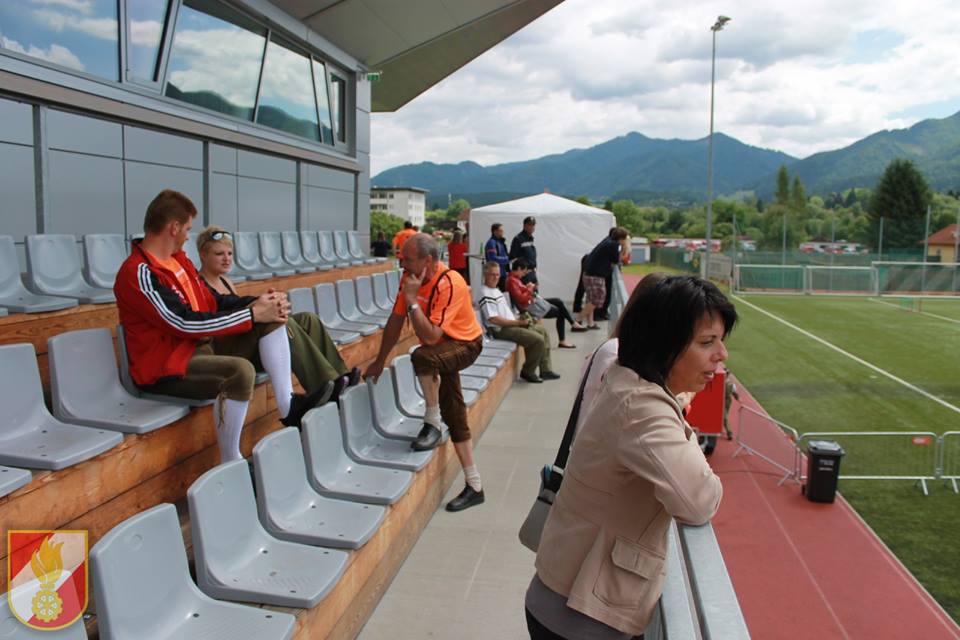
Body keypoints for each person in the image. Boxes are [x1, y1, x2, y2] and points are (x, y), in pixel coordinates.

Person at [526, 275, 736, 639]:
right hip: (581, 619)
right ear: (665, 344)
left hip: (565, 600)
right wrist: (681, 422)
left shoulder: (628, 381)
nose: (721, 354)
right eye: (707, 342)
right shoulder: (643, 408)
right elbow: (701, 500)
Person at [114, 190, 330, 463]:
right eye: (187, 229)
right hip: (167, 368)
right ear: (174, 227)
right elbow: (182, 322)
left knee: (272, 318)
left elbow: (213, 301)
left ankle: (290, 408)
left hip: (201, 350)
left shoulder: (179, 260)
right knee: (239, 372)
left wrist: (258, 304)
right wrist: (252, 315)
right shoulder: (138, 272)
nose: (188, 236)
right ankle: (231, 460)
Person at [364, 233, 486, 512]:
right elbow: (396, 321)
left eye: (408, 259)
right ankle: (475, 484)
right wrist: (380, 360)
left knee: (421, 356)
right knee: (454, 410)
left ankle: (431, 423)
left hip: (466, 344)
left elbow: (430, 337)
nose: (402, 263)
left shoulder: (450, 282)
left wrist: (412, 300)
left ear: (428, 261)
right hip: (441, 349)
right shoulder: (409, 279)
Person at [194, 225, 359, 403]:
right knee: (281, 322)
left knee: (308, 319)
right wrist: (259, 305)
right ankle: (323, 383)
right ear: (203, 254)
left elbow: (239, 305)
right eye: (219, 254)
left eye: (230, 253)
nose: (226, 259)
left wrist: (267, 302)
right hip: (229, 352)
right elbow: (225, 315)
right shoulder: (199, 285)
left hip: (244, 339)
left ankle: (341, 376)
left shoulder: (226, 281)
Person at [478, 261, 559, 384]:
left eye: (497, 274)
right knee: (537, 340)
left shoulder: (495, 290)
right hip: (500, 330)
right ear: (485, 275)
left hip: (511, 324)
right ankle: (528, 371)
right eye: (492, 274)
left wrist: (518, 320)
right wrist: (518, 323)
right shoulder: (485, 292)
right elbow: (493, 319)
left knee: (543, 331)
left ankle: (546, 370)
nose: (495, 277)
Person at [507, 258, 586, 349]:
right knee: (560, 312)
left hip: (532, 302)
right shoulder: (512, 281)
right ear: (519, 268)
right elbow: (521, 299)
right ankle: (563, 340)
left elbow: (521, 294)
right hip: (530, 306)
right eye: (524, 272)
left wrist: (529, 288)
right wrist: (529, 289)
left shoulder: (515, 279)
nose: (524, 275)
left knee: (558, 301)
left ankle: (573, 323)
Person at [578, 227, 630, 329]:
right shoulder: (613, 245)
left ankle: (590, 323)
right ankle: (577, 320)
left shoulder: (608, 241)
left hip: (589, 274)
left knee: (591, 299)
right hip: (595, 276)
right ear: (621, 238)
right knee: (597, 299)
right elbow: (617, 260)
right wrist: (624, 248)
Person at [509, 216, 538, 285]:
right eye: (530, 225)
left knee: (534, 292)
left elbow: (530, 256)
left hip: (532, 274)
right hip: (524, 276)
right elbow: (512, 258)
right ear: (524, 226)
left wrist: (534, 269)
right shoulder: (518, 239)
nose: (532, 227)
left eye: (533, 225)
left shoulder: (530, 238)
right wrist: (523, 270)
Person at [484, 223, 510, 289]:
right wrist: (507, 259)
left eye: (502, 231)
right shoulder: (491, 243)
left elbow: (503, 254)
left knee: (503, 293)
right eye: (500, 231)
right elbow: (493, 259)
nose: (502, 232)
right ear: (495, 232)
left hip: (502, 273)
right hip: (494, 274)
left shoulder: (501, 242)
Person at [723, 367, 740, 440]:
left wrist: (738, 398)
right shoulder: (719, 381)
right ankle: (728, 432)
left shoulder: (730, 383)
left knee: (724, 416)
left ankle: (729, 432)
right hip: (721, 400)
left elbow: (734, 392)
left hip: (727, 400)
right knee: (723, 416)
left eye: (727, 374)